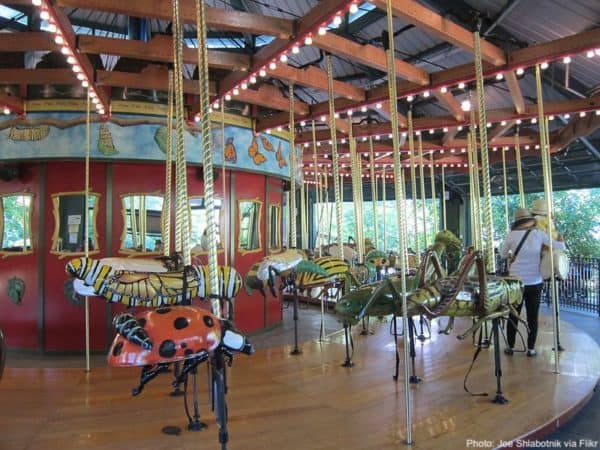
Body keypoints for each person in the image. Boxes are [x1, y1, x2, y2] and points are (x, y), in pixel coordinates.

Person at [500, 208, 566, 357]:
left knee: (513, 315)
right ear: (530, 220)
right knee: (532, 316)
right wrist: (560, 238)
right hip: (535, 281)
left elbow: (503, 255)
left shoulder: (511, 235)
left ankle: (510, 347)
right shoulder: (538, 234)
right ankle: (531, 349)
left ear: (516, 221)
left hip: (516, 282)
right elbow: (561, 247)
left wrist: (512, 256)